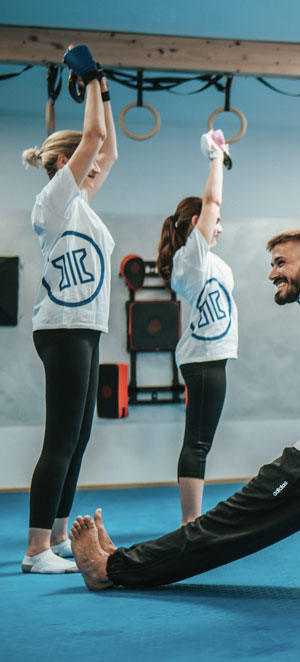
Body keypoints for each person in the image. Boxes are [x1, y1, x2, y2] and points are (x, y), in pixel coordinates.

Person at [69, 228, 300, 590]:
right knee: (233, 524)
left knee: (228, 523)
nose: (273, 273)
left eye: (281, 262)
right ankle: (123, 560)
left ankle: (109, 569)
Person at [20, 45, 117, 574]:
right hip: (63, 328)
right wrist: (89, 76)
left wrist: (102, 90)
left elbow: (111, 150)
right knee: (61, 436)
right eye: (87, 163)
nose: (98, 168)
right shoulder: (54, 202)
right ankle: (36, 550)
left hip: (87, 327)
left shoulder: (81, 205)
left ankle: (55, 540)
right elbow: (97, 140)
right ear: (65, 164)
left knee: (78, 437)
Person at [155, 130, 238, 524]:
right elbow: (212, 200)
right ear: (197, 222)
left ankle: (192, 519)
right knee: (199, 442)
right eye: (215, 222)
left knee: (202, 441)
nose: (219, 227)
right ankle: (191, 521)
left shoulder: (207, 261)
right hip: (204, 360)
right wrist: (216, 157)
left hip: (211, 359)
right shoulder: (191, 258)